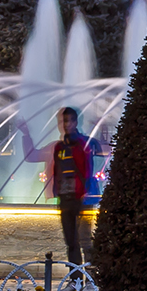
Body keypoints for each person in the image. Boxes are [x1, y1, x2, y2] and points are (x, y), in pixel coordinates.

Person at [49, 106, 98, 267]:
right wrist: (56, 191)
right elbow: (57, 170)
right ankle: (75, 279)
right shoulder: (59, 147)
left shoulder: (83, 144)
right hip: (65, 198)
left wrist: (84, 191)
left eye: (70, 121)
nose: (66, 124)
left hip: (81, 199)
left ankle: (92, 278)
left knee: (85, 240)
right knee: (71, 241)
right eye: (64, 121)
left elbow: (87, 169)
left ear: (76, 122)